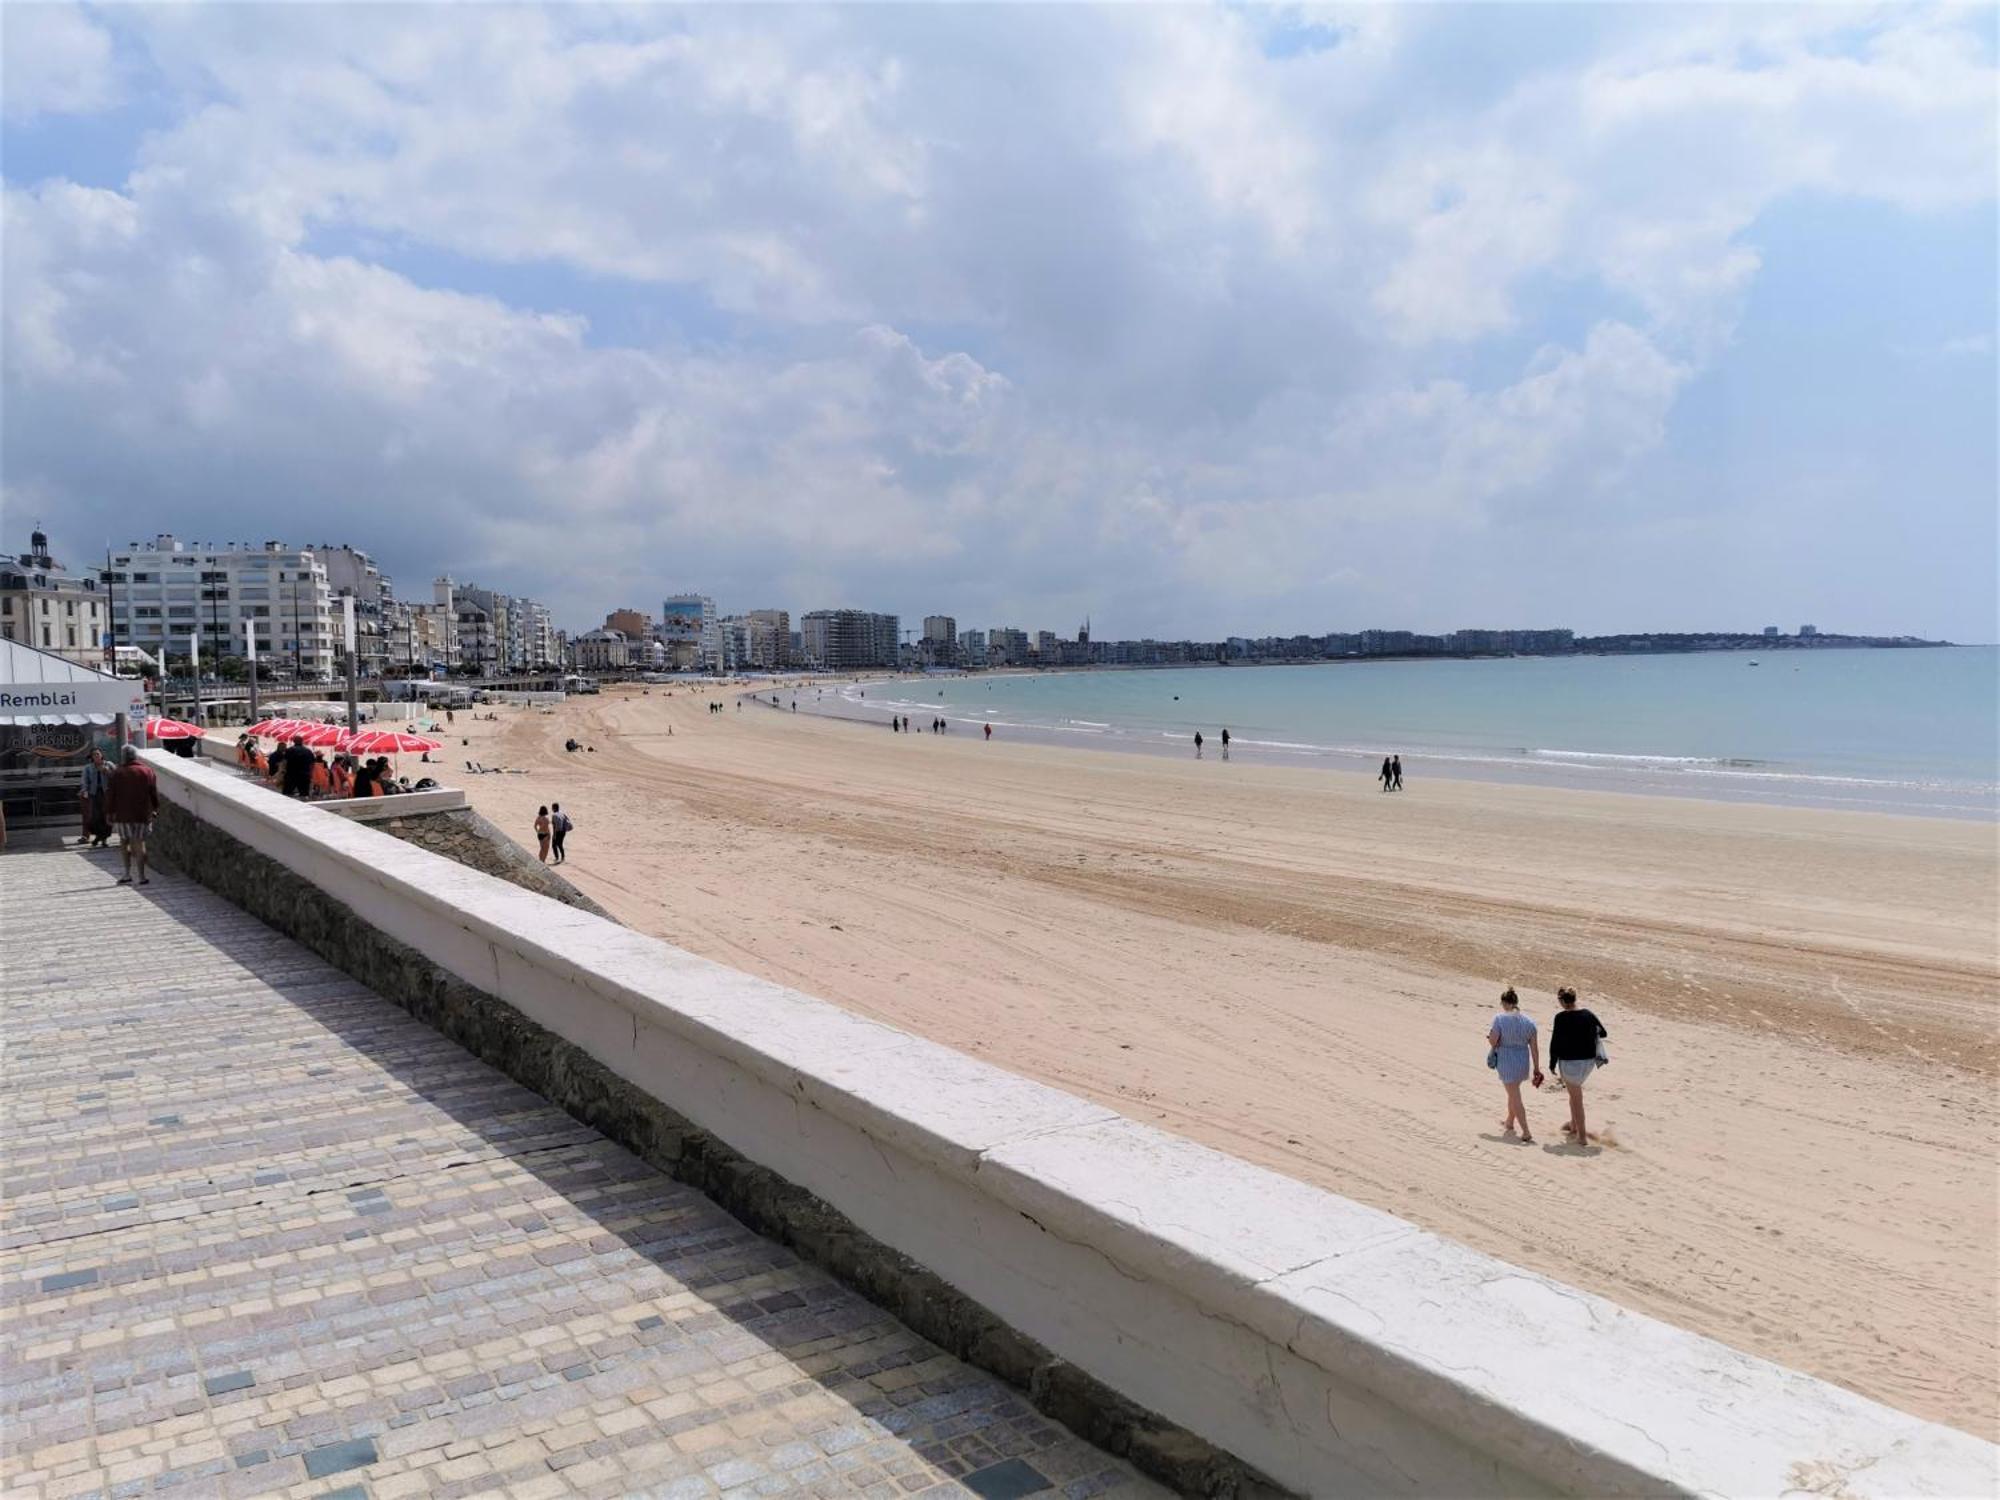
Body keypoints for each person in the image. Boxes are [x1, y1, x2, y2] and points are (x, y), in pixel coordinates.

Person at [1548, 987, 1609, 1146]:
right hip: (1588, 1063)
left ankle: (1581, 1136)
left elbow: (1555, 1043)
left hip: (1570, 1064)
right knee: (1573, 1094)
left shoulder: (1560, 1018)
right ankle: (1573, 1124)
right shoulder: (1588, 1014)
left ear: (1562, 1002)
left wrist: (1552, 1063)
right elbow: (1603, 1033)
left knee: (1576, 1098)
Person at [1487, 988, 1543, 1142]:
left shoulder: (1499, 1019)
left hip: (1506, 1060)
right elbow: (1535, 1049)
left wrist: (1490, 1039)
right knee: (1513, 1092)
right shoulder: (1529, 1022)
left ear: (1505, 1003)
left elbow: (1493, 1041)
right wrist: (1537, 1068)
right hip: (1522, 1061)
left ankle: (1526, 1131)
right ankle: (1509, 1122)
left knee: (1515, 1096)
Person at [107, 746, 160, 886]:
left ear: (123, 757)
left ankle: (126, 874)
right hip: (143, 814)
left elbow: (111, 795)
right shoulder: (148, 771)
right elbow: (153, 793)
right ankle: (142, 876)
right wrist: (155, 809)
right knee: (139, 843)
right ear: (136, 756)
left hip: (123, 815)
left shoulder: (117, 773)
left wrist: (109, 812)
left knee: (124, 842)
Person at [79, 747, 112, 847]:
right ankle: (98, 837)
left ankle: (104, 839)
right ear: (91, 757)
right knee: (95, 817)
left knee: (106, 817)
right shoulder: (88, 768)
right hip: (94, 794)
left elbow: (117, 777)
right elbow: (84, 781)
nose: (96, 756)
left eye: (98, 754)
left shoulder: (109, 764)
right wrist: (84, 790)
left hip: (106, 794)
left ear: (101, 755)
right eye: (94, 754)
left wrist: (107, 771)